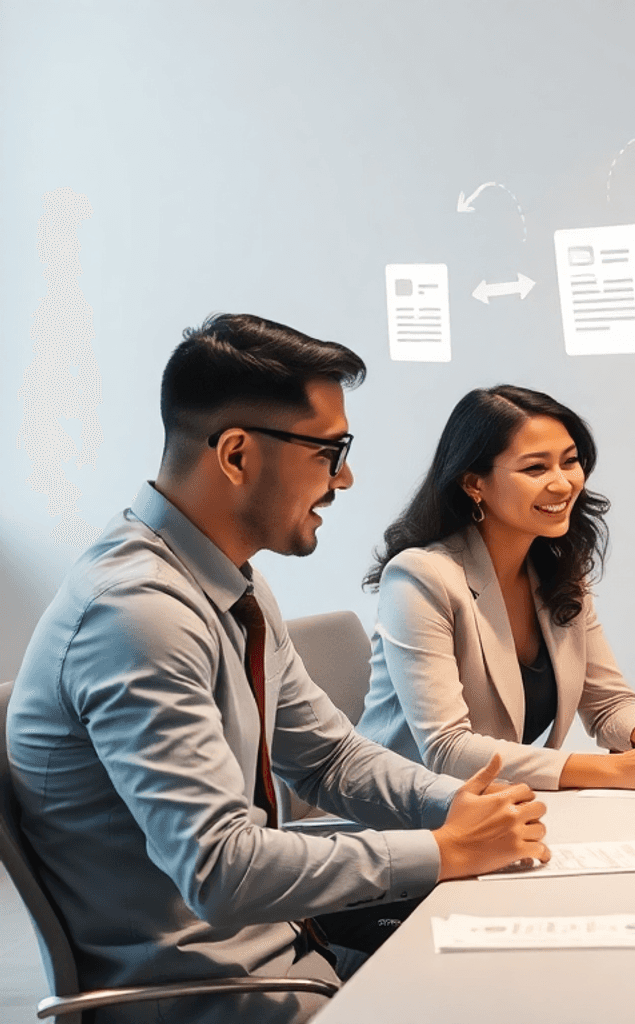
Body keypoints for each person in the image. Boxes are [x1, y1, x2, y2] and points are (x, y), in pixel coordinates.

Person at [6, 315, 551, 1024]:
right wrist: (440, 851)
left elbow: (328, 758)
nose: (346, 477)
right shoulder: (138, 616)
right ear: (236, 455)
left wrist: (453, 810)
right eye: (331, 450)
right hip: (221, 998)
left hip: (292, 954)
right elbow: (220, 871)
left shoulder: (230, 584)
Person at [357, 385, 635, 790]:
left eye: (570, 462)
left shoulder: (558, 570)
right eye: (535, 469)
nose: (564, 484)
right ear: (474, 483)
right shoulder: (420, 577)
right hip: (400, 815)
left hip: (493, 809)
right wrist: (619, 770)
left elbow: (608, 702)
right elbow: (447, 749)